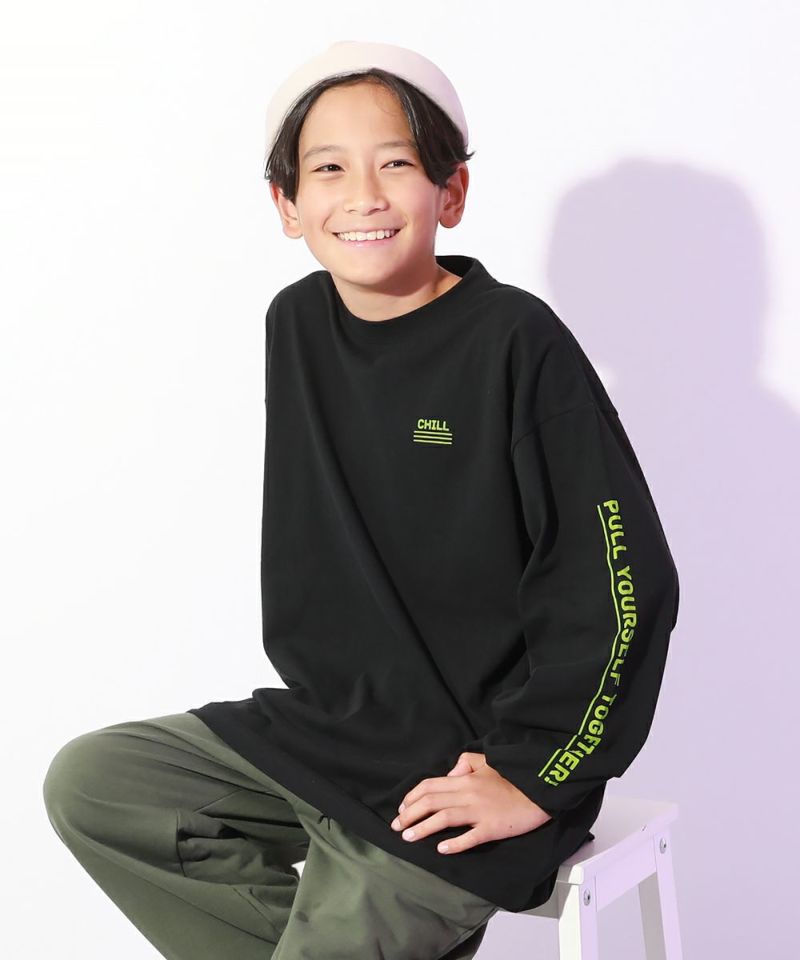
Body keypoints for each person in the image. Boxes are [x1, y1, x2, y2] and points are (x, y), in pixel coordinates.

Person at [42, 39, 680, 960]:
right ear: (287, 205)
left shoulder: (516, 340)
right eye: (329, 169)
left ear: (451, 193)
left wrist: (535, 776)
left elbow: (625, 585)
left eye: (397, 165)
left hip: (480, 760)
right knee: (97, 785)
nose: (365, 196)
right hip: (333, 731)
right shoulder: (296, 324)